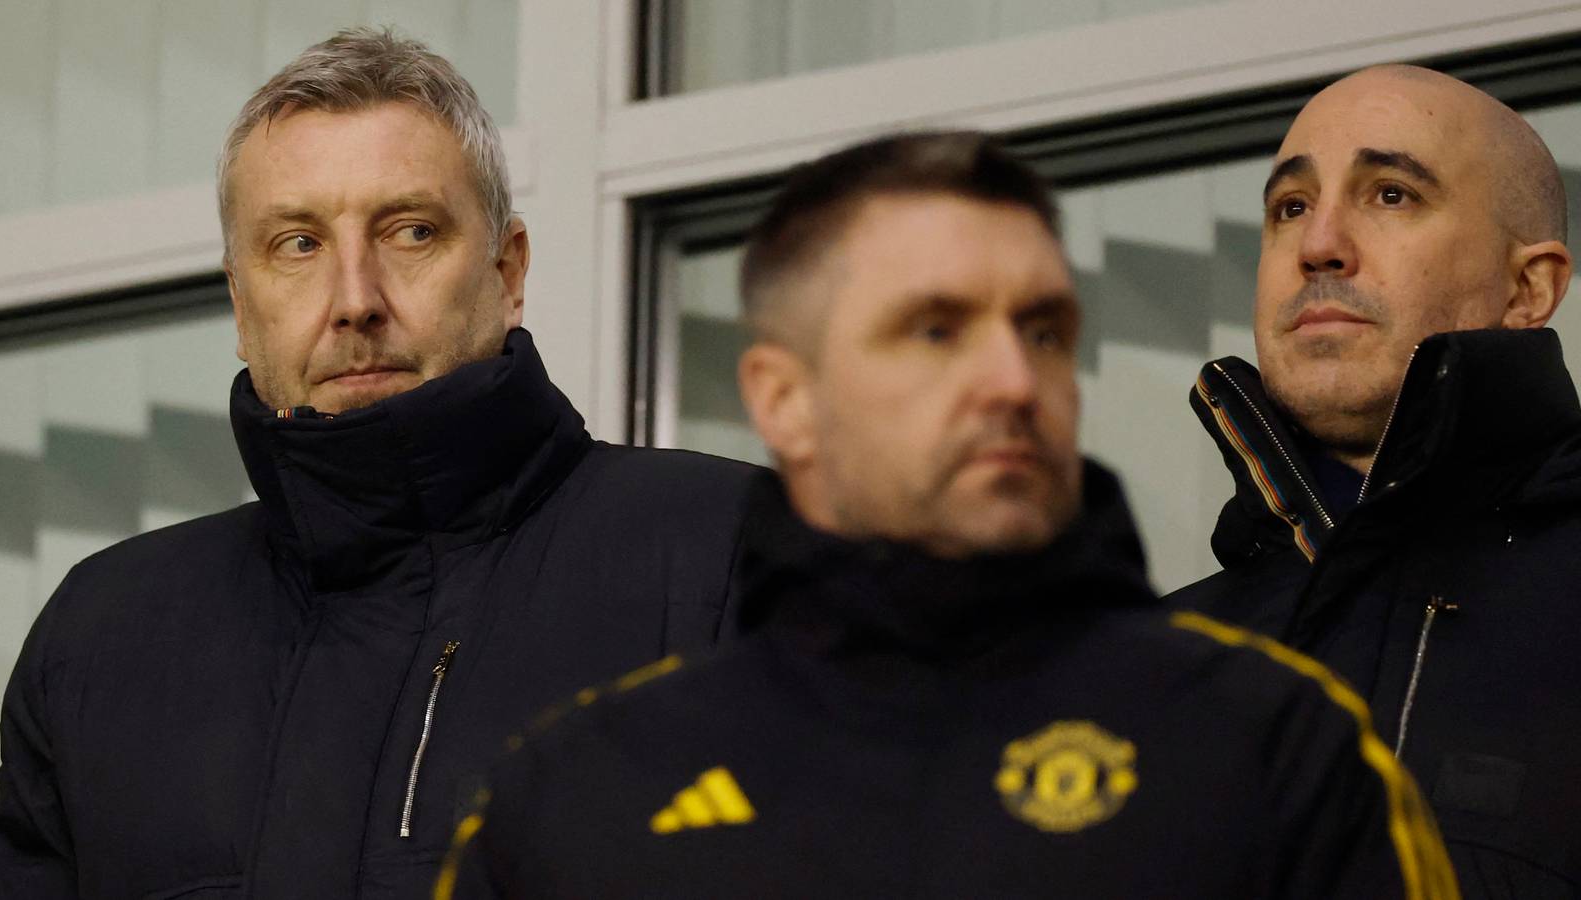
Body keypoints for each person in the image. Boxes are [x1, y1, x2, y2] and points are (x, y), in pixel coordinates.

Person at [437, 131, 1458, 899]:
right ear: (784, 398)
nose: (1012, 380)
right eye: (935, 329)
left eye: (1044, 330)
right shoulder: (583, 790)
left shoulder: (1264, 742)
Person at [0, 28, 755, 899]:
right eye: (298, 244)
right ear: (241, 306)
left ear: (508, 272)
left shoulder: (732, 556)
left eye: (411, 231)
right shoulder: (102, 640)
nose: (355, 300)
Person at [1167, 64, 1580, 897]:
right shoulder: (1148, 666)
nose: (1318, 244)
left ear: (1528, 287)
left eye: (1391, 194)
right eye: (1291, 207)